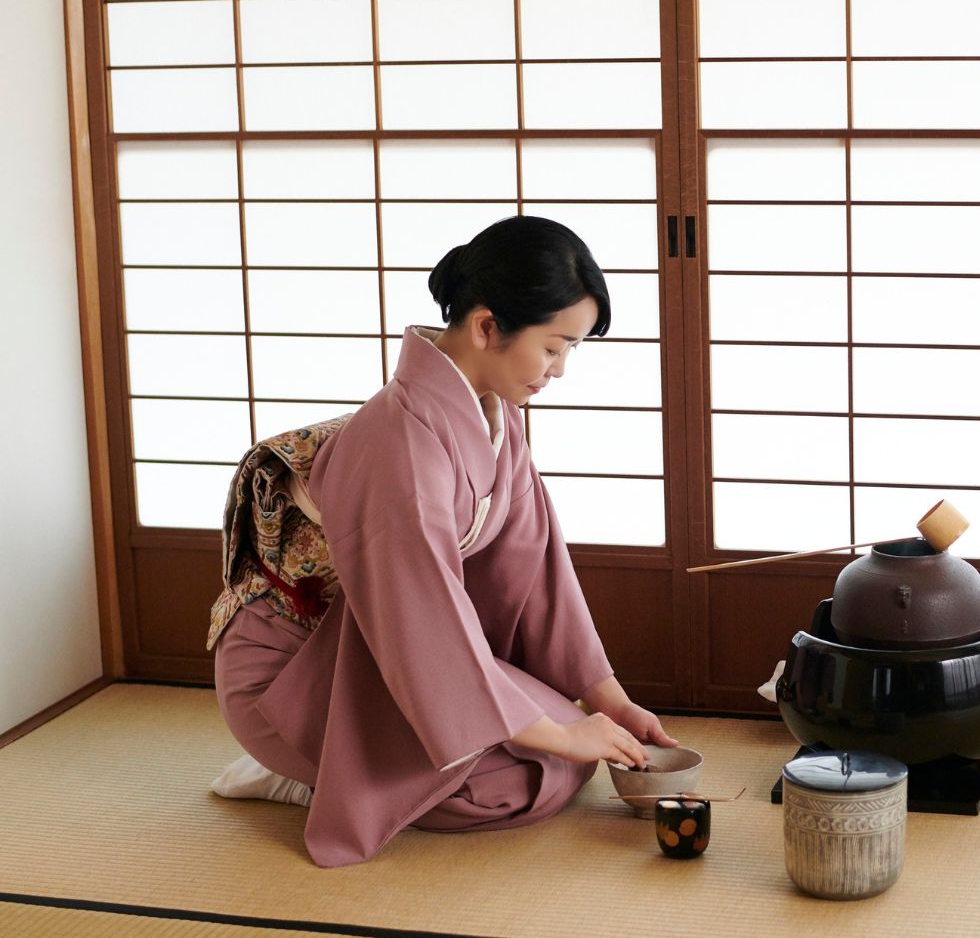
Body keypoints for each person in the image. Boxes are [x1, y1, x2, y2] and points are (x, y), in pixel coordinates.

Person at [209, 214, 677, 867]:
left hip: (383, 653)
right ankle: (302, 770)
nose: (561, 369)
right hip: (297, 671)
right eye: (552, 346)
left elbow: (537, 571)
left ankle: (363, 762)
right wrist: (562, 734)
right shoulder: (398, 445)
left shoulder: (498, 417)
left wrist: (613, 704)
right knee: (507, 788)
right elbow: (417, 621)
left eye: (571, 350)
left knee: (571, 754)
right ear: (487, 326)